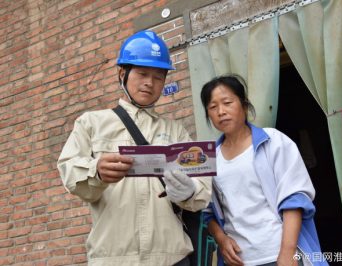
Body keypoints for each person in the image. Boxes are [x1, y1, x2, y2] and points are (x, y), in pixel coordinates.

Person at [57, 30, 211, 266]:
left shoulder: (176, 131)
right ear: (122, 73)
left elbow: (201, 191)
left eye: (159, 76)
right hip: (113, 258)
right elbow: (68, 172)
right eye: (142, 73)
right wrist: (95, 170)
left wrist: (189, 191)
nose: (150, 82)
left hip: (172, 257)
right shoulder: (91, 123)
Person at [200, 75, 328, 266]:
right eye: (212, 107)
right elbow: (207, 211)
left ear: (243, 105)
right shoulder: (210, 158)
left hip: (278, 254)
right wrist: (221, 239)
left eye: (227, 102)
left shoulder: (273, 141)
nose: (221, 111)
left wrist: (287, 252)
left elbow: (294, 198)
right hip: (240, 260)